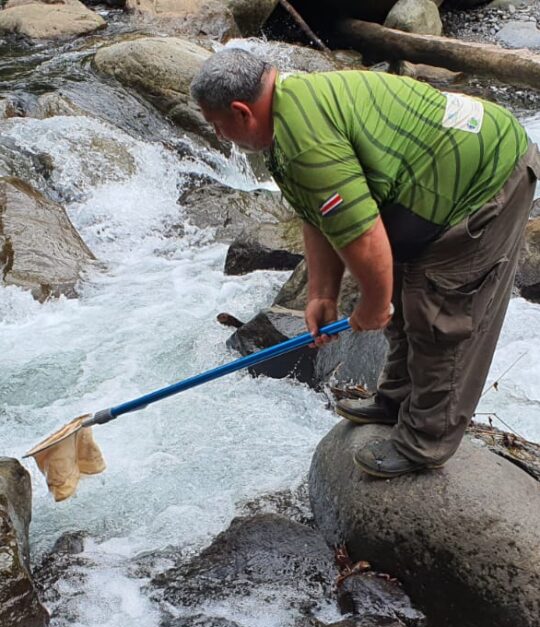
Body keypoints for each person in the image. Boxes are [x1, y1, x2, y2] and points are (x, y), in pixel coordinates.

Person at [191, 48, 540, 478]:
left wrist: (374, 305)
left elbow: (365, 237)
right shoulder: (286, 115)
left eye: (216, 123)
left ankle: (424, 442)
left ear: (242, 112)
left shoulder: (306, 142)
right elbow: (316, 215)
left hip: (485, 177)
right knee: (402, 292)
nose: (219, 135)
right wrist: (322, 295)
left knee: (438, 315)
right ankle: (395, 400)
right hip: (435, 175)